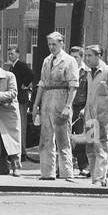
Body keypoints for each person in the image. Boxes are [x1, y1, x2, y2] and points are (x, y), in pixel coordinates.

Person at [32, 32, 79, 180]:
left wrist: (68, 106)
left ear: (61, 44)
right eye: (49, 44)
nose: (52, 47)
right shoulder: (47, 60)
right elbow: (42, 83)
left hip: (61, 97)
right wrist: (35, 104)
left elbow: (73, 86)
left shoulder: (70, 61)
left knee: (63, 138)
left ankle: (67, 173)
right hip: (47, 99)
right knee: (46, 138)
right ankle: (47, 173)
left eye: (54, 44)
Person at [81, 45, 108, 186]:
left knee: (102, 148)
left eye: (89, 55)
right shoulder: (88, 73)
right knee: (91, 149)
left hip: (104, 119)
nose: (86, 58)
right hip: (90, 118)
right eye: (85, 55)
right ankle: (96, 178)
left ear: (99, 56)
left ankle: (99, 179)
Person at [5, 45, 35, 152]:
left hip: (21, 99)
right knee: (16, 124)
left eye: (12, 53)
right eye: (9, 54)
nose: (10, 56)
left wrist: (25, 84)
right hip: (16, 98)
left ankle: (22, 150)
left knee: (21, 124)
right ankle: (18, 149)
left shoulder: (21, 65)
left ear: (17, 54)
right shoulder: (12, 66)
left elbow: (31, 74)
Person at [70, 45, 90, 176]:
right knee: (65, 136)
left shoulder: (87, 72)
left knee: (82, 137)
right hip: (68, 106)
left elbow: (90, 92)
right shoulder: (68, 69)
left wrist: (85, 108)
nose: (73, 59)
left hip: (81, 107)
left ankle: (84, 166)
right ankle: (66, 165)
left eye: (76, 57)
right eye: (71, 57)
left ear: (82, 57)